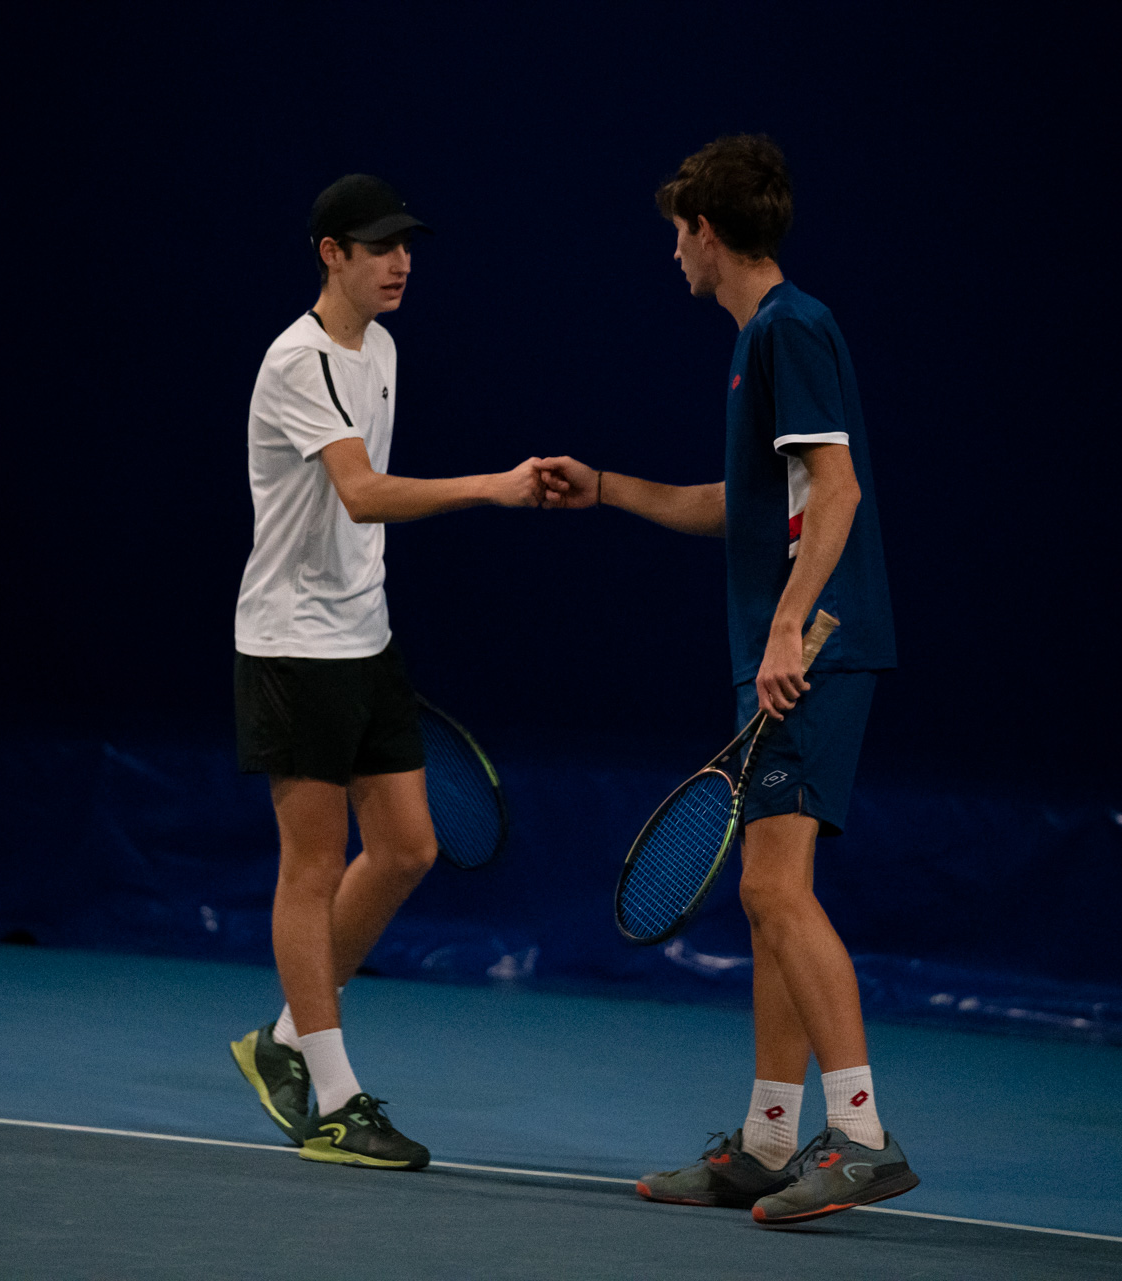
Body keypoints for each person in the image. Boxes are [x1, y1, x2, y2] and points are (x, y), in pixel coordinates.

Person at [537, 135, 918, 1224]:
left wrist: (789, 629)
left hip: (812, 648)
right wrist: (605, 487)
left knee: (773, 891)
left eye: (677, 233)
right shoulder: (766, 338)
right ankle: (767, 1141)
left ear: (707, 232)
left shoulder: (789, 327)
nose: (673, 253)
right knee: (765, 897)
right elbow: (745, 506)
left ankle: (861, 1137)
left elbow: (838, 491)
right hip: (786, 650)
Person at [229, 173, 546, 1170]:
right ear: (332, 254)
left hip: (365, 636)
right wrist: (493, 487)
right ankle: (333, 1099)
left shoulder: (384, 349)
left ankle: (285, 1038)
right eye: (379, 247)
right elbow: (361, 494)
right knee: (313, 868)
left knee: (407, 847)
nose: (401, 262)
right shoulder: (299, 360)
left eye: (407, 245)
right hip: (292, 645)